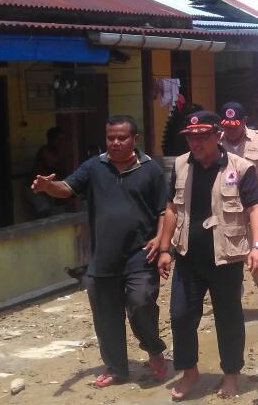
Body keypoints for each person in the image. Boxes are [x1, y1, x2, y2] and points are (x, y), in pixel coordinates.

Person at [31, 115, 168, 388]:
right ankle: (117, 367)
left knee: (141, 303)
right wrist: (48, 186)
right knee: (106, 316)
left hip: (141, 254)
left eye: (122, 138)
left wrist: (161, 240)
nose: (115, 143)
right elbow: (66, 189)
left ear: (134, 139)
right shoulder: (94, 167)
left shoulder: (151, 169)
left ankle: (154, 349)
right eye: (111, 138)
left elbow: (165, 209)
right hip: (103, 257)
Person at [157, 111, 258, 400]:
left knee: (228, 318)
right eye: (191, 137)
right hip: (188, 257)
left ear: (217, 136)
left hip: (226, 259)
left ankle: (231, 375)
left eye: (201, 136)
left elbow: (255, 207)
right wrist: (165, 248)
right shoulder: (181, 165)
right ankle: (189, 371)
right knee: (180, 316)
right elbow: (171, 208)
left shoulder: (240, 167)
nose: (196, 142)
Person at [219, 101, 258, 312]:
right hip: (226, 209)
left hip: (255, 207)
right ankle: (235, 289)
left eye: (234, 125)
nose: (230, 130)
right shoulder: (216, 143)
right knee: (228, 254)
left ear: (244, 122)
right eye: (226, 126)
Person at [25, 127, 67, 218]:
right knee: (45, 210)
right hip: (34, 188)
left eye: (63, 140)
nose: (62, 143)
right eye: (59, 140)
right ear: (51, 140)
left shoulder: (60, 152)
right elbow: (55, 166)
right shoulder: (45, 151)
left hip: (47, 188)